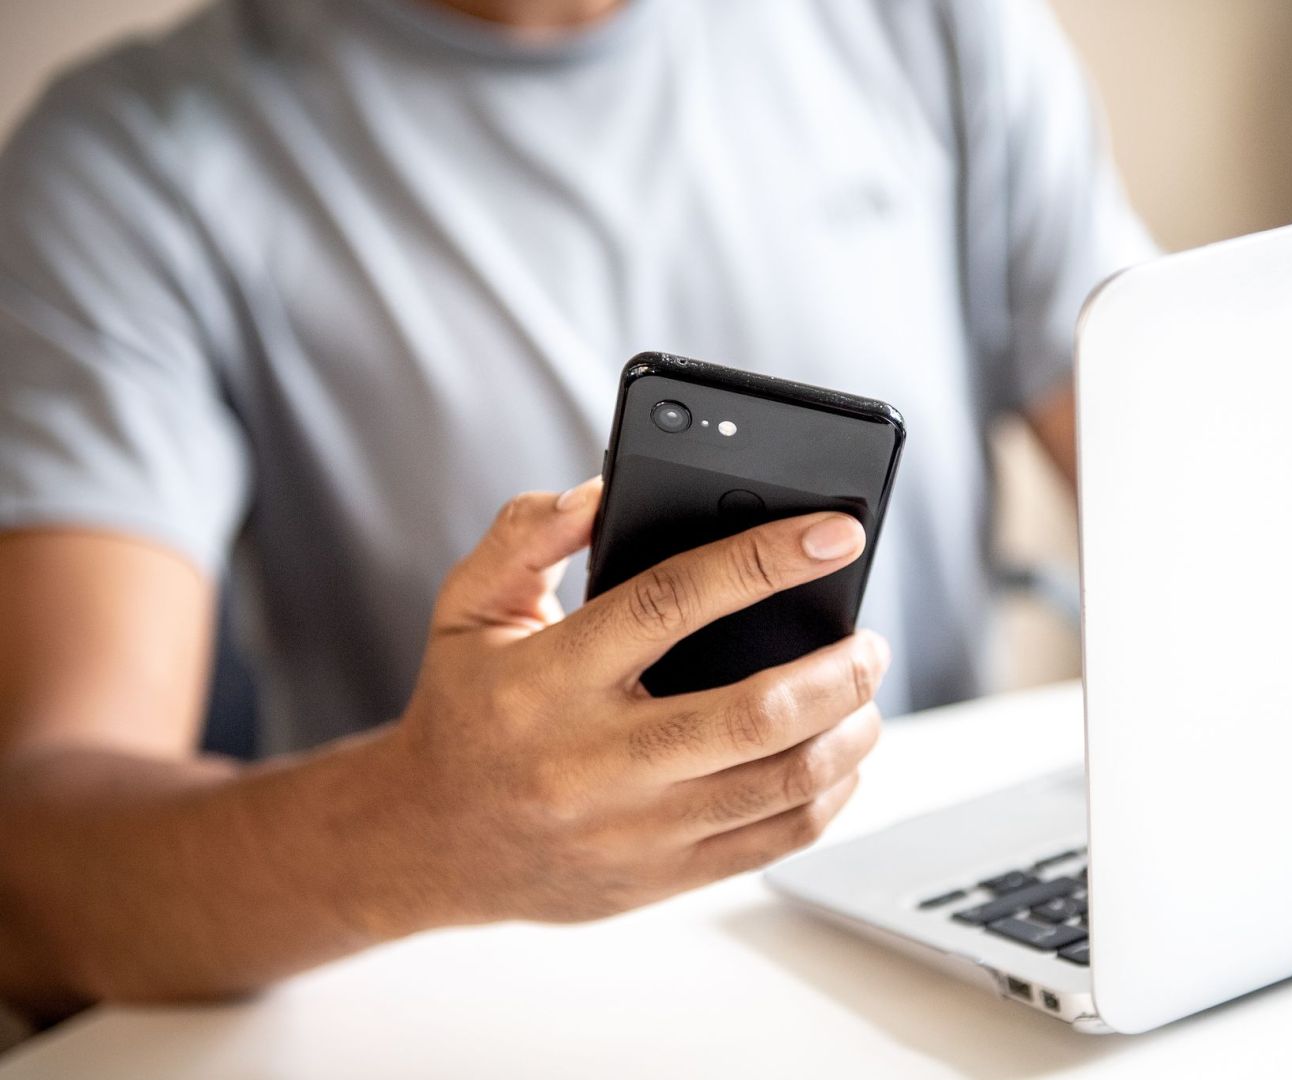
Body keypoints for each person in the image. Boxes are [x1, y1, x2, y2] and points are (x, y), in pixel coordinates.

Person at [0, 0, 1154, 1018]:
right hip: (473, 998)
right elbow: (37, 879)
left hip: (949, 942)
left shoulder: (934, 21)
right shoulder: (135, 161)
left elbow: (1198, 520)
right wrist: (418, 828)